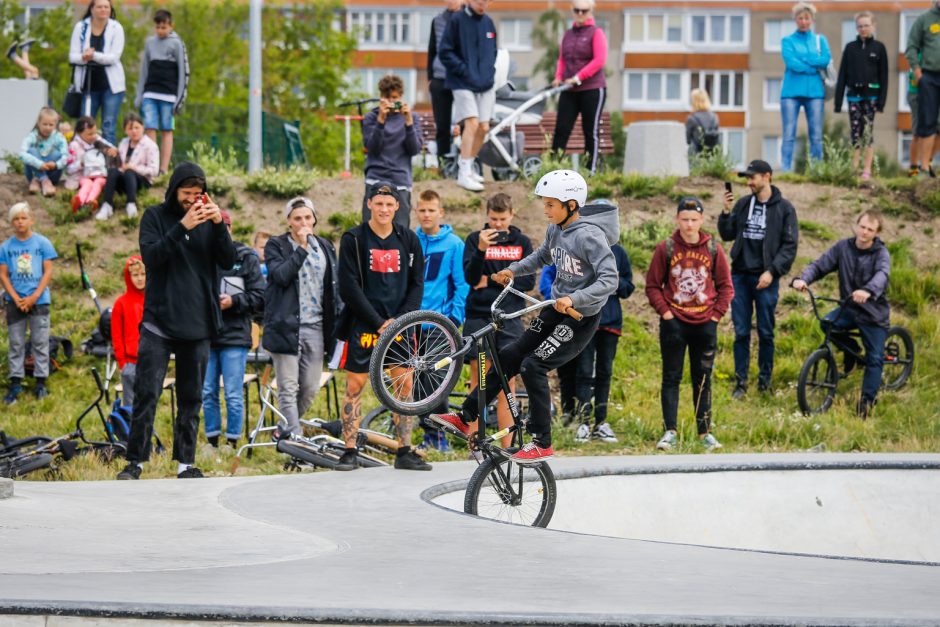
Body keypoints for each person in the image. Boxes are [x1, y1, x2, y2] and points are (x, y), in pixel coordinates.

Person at [432, 170, 618, 464]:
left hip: (579, 318)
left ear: (571, 204)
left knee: (533, 365)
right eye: (544, 204)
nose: (545, 210)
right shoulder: (556, 229)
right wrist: (513, 270)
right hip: (555, 309)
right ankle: (465, 416)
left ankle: (542, 441)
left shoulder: (590, 236)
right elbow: (543, 256)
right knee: (510, 355)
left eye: (550, 205)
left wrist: (575, 298)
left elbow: (610, 280)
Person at [116, 162, 237, 480]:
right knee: (147, 392)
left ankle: (186, 462)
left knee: (191, 396)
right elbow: (152, 257)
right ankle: (136, 461)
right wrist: (182, 225)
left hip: (198, 322)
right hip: (159, 321)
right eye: (187, 194)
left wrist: (218, 225)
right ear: (174, 191)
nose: (193, 200)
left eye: (198, 194)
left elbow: (228, 260)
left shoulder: (209, 219)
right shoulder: (154, 217)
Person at [335, 182, 426, 471]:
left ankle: (404, 450)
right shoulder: (354, 239)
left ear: (397, 207)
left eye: (390, 204)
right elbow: (348, 287)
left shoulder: (409, 239)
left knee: (405, 385)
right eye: (379, 203)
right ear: (369, 205)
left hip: (399, 327)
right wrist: (377, 322)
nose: (384, 209)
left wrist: (399, 321)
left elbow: (417, 284)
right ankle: (349, 449)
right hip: (365, 325)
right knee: (355, 384)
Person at [646, 197, 733, 452]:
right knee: (671, 377)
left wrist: (716, 316)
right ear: (677, 219)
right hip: (674, 323)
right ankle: (669, 431)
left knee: (703, 379)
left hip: (706, 323)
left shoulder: (714, 249)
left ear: (702, 220)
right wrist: (666, 314)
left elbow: (726, 287)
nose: (689, 224)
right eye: (685, 219)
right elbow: (652, 286)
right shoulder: (667, 248)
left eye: (694, 220)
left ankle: (705, 432)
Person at [792, 210, 891, 418]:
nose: (864, 232)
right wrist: (804, 279)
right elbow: (820, 265)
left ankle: (866, 402)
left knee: (874, 358)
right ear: (856, 225)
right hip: (850, 308)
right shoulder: (843, 247)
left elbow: (882, 275)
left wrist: (868, 290)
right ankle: (852, 350)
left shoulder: (881, 254)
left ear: (877, 232)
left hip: (873, 314)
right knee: (827, 324)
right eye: (862, 227)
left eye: (870, 229)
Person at [719, 160, 799, 399]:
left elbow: (790, 246)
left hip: (766, 278)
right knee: (741, 332)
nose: (749, 182)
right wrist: (726, 211)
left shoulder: (785, 209)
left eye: (752, 177)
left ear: (767, 176)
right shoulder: (743, 204)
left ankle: (765, 382)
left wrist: (772, 272)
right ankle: (740, 383)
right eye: (747, 178)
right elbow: (727, 234)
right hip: (740, 276)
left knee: (766, 332)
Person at [263, 197, 340, 437]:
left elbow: (333, 287)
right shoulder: (276, 246)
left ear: (315, 218)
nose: (303, 222)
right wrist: (303, 248)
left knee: (309, 387)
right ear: (289, 221)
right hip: (285, 325)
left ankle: (283, 430)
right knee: (288, 387)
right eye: (297, 218)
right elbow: (281, 275)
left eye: (307, 217)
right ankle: (294, 442)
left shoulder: (326, 246)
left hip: (316, 326)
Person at [462, 192, 534, 448]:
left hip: (510, 316)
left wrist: (491, 279)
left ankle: (508, 446)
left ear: (512, 215)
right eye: (493, 219)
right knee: (478, 378)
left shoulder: (522, 242)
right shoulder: (474, 240)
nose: (498, 225)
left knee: (508, 380)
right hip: (479, 315)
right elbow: (471, 279)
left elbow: (528, 282)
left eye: (502, 219)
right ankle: (475, 444)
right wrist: (482, 251)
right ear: (487, 215)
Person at [202, 211, 265, 449]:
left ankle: (232, 441)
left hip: (236, 335)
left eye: (223, 227)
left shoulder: (246, 257)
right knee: (207, 391)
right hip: (206, 335)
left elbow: (260, 297)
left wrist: (234, 302)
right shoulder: (201, 257)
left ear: (230, 229)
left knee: (232, 393)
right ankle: (211, 441)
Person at [414, 189, 469, 451]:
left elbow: (461, 284)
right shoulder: (410, 239)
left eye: (431, 210)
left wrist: (454, 317)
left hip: (440, 323)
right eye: (422, 210)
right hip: (410, 323)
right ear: (417, 212)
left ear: (440, 212)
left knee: (437, 380)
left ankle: (439, 436)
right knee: (415, 380)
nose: (426, 215)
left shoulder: (454, 244)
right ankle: (425, 433)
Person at [0, 202, 57, 404]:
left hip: (39, 301)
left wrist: (34, 297)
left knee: (40, 343)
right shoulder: (5, 248)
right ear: (11, 223)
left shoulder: (42, 244)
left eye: (23, 218)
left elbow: (48, 271)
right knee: (16, 343)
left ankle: (40, 383)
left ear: (31, 219)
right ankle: (16, 383)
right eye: (16, 219)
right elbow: (3, 275)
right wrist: (16, 298)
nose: (20, 222)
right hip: (14, 302)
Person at [439, 0, 498, 192]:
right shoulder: (456, 20)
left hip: (485, 82)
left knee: (483, 127)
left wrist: (489, 72)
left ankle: (469, 165)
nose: (482, 4)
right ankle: (463, 174)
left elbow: (493, 52)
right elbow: (445, 52)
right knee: (471, 123)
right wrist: (464, 70)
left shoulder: (488, 22)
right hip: (461, 82)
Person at [550, 0, 608, 174]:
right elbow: (562, 59)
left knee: (590, 131)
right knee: (561, 129)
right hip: (569, 91)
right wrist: (558, 77)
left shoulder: (596, 33)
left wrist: (577, 77)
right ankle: (553, 168)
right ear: (572, 11)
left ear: (591, 11)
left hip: (592, 89)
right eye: (577, 10)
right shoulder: (568, 34)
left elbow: (599, 60)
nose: (581, 14)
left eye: (585, 10)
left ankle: (591, 171)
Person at [360, 74, 422, 230]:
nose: (392, 102)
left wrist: (408, 123)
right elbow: (372, 148)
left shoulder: (412, 117)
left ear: (401, 96)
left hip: (400, 181)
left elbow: (414, 149)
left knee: (400, 232)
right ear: (381, 97)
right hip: (375, 179)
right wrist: (381, 121)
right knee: (370, 231)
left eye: (395, 98)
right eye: (387, 98)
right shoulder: (371, 117)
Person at [834, 12, 888, 182]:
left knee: (868, 133)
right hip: (854, 97)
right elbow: (842, 75)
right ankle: (854, 169)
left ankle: (867, 170)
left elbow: (884, 76)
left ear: (873, 26)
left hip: (871, 96)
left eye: (866, 25)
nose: (863, 29)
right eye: (860, 26)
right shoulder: (850, 48)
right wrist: (837, 102)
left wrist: (881, 102)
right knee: (855, 133)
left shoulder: (879, 48)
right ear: (856, 28)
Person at [135, 9, 189, 176]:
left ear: (171, 26)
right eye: (158, 27)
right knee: (150, 128)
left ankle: (163, 169)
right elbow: (144, 70)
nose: (160, 30)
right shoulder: (150, 43)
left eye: (164, 27)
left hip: (169, 96)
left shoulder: (177, 44)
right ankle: (152, 166)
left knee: (167, 130)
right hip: (150, 94)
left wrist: (179, 100)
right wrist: (139, 94)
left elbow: (183, 73)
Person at [779, 2, 830, 172]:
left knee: (816, 135)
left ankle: (817, 170)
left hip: (815, 93)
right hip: (791, 93)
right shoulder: (787, 41)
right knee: (788, 134)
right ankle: (785, 170)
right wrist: (813, 66)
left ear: (812, 20)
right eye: (800, 18)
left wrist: (806, 61)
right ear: (795, 19)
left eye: (807, 18)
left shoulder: (819, 40)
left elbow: (825, 60)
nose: (803, 21)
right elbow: (792, 63)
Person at [68, 0, 126, 145]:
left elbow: (114, 57)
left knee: (108, 126)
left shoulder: (116, 28)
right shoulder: (81, 27)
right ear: (92, 9)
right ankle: (82, 161)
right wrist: (83, 57)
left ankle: (108, 164)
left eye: (106, 7)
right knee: (85, 126)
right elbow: (72, 56)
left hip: (111, 87)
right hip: (87, 85)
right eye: (99, 7)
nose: (103, 10)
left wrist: (93, 55)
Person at [97, 112, 159, 220]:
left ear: (142, 127)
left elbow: (154, 170)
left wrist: (134, 168)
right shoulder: (124, 142)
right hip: (125, 179)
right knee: (112, 171)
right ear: (125, 130)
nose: (134, 131)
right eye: (130, 129)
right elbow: (120, 164)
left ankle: (131, 204)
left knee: (129, 172)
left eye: (136, 127)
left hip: (142, 180)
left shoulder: (151, 145)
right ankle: (107, 205)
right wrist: (114, 155)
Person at [905, 1, 940, 177]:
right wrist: (919, 74)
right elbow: (911, 47)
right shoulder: (924, 20)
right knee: (927, 123)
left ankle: (929, 163)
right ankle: (922, 168)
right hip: (929, 78)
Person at [427, 0, 462, 165]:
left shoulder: (467, 19)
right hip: (440, 78)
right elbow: (432, 50)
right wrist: (430, 77)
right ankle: (443, 163)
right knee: (442, 125)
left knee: (466, 123)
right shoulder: (438, 20)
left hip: (462, 78)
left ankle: (463, 162)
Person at [111, 255, 145, 409]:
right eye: (135, 275)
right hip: (130, 363)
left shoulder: (154, 299)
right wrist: (122, 363)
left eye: (143, 274)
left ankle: (148, 432)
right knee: (130, 406)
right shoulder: (121, 304)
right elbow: (116, 336)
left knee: (148, 405)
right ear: (128, 276)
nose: (139, 279)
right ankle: (130, 433)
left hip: (151, 361)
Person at [65, 116, 117, 214]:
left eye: (95, 132)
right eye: (89, 134)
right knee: (87, 184)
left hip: (100, 173)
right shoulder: (74, 146)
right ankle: (79, 200)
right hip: (83, 175)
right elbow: (68, 169)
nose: (93, 136)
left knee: (99, 182)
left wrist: (111, 151)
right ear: (79, 133)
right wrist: (81, 163)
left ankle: (90, 201)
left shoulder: (98, 140)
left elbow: (113, 148)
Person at [20, 107, 68, 197]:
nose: (48, 127)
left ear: (55, 125)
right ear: (39, 123)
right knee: (31, 150)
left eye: (51, 125)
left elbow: (66, 156)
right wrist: (39, 164)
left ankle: (42, 181)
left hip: (52, 175)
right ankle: (43, 180)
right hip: (33, 174)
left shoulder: (59, 137)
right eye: (45, 124)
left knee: (57, 154)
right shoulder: (32, 136)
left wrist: (56, 164)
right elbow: (22, 154)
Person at [686, 89, 721, 156]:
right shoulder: (714, 117)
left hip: (697, 157)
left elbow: (687, 140)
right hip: (713, 156)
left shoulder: (691, 118)